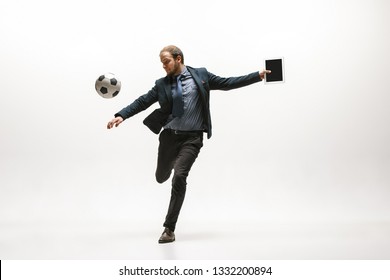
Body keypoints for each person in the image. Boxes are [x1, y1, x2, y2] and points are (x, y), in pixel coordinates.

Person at [107, 45, 271, 243]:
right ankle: (167, 168)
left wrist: (257, 75)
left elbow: (227, 83)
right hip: (169, 137)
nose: (163, 66)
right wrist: (121, 115)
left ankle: (169, 228)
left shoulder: (201, 75)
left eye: (166, 61)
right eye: (161, 63)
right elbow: (142, 101)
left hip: (192, 139)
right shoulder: (162, 84)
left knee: (179, 177)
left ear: (178, 58)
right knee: (161, 177)